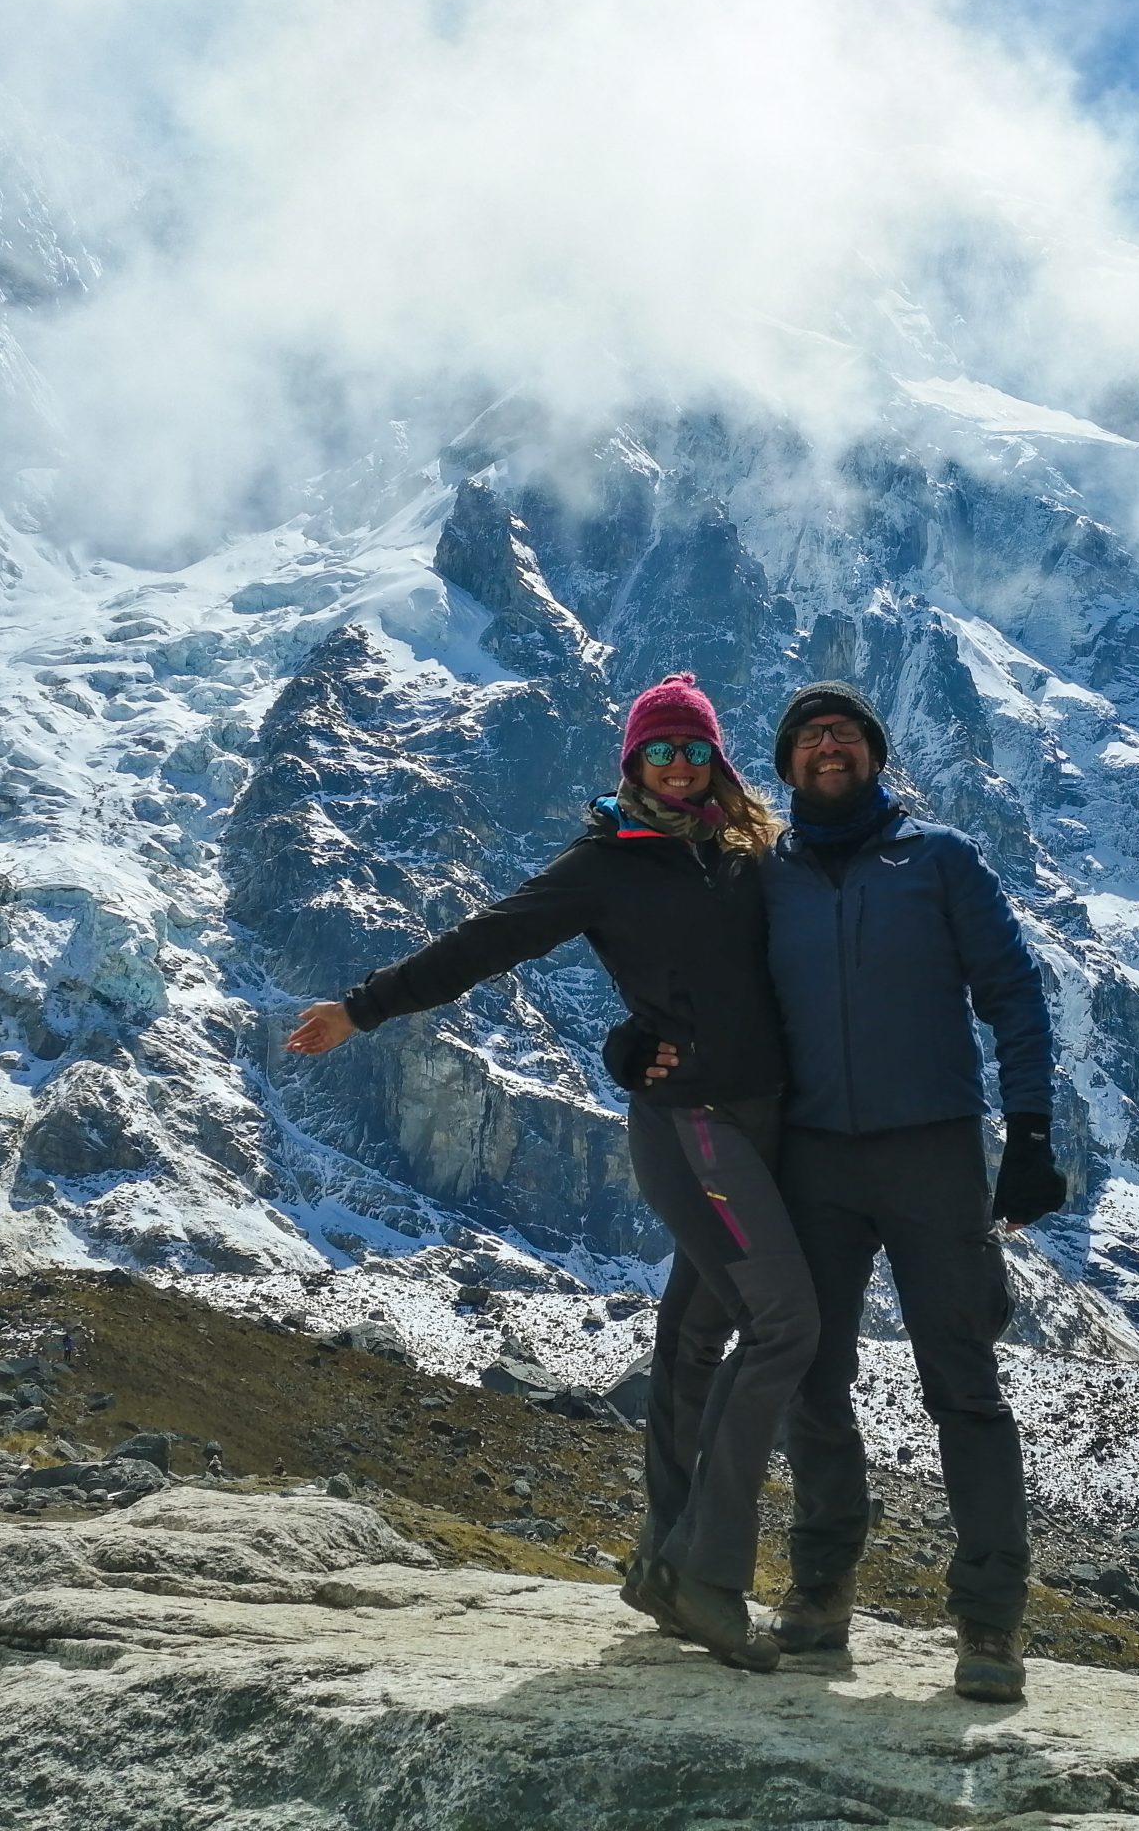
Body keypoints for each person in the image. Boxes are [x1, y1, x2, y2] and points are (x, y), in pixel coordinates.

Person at [284, 673, 815, 1672]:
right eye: (660, 751)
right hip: (693, 1127)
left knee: (698, 1333)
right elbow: (489, 940)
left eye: (694, 751)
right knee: (786, 1321)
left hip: (765, 1125)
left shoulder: (749, 853)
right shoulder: (605, 863)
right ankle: (708, 1573)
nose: (678, 767)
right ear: (631, 764)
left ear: (717, 762)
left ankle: (662, 1561)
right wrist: (364, 1007)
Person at [625, 679, 1064, 1702]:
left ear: (874, 755)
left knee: (961, 1383)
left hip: (934, 1151)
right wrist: (640, 1037)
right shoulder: (757, 873)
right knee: (812, 1382)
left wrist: (1031, 1129)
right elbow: (689, 971)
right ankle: (819, 1592)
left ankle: (990, 1623)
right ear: (783, 767)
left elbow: (1012, 993)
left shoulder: (940, 859)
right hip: (812, 1158)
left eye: (847, 733)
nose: (829, 745)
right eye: (809, 736)